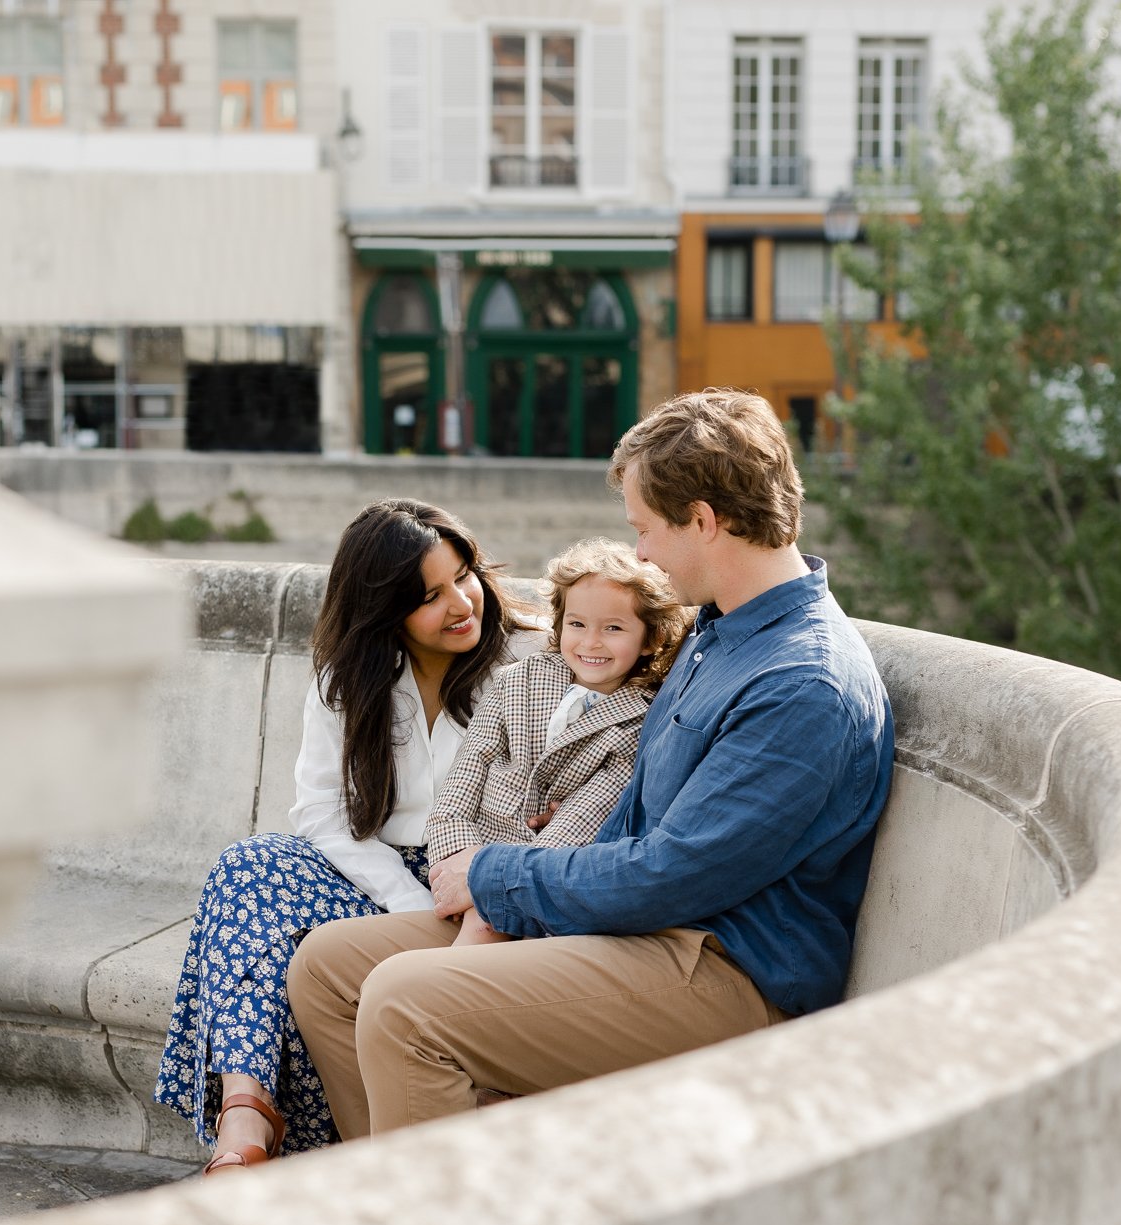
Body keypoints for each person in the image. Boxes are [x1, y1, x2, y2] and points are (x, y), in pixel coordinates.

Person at [286, 389, 896, 1140]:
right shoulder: (719, 631)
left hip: (724, 972)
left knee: (405, 1005)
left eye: (644, 529)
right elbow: (633, 809)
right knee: (326, 969)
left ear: (703, 520)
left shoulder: (802, 683)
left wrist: (498, 874)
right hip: (644, 930)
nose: (640, 553)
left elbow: (669, 876)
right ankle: (417, 1192)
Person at [152, 498, 529, 1173]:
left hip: (486, 886)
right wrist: (410, 904)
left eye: (463, 576)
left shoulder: (531, 662)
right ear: (383, 609)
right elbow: (322, 814)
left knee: (296, 949)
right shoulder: (347, 679)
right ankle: (245, 1117)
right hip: (383, 878)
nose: (461, 603)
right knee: (250, 868)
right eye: (429, 596)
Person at [428, 537, 689, 947]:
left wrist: (491, 891)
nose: (590, 642)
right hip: (466, 865)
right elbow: (461, 785)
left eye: (614, 628)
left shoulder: (640, 724)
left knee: (457, 963)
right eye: (577, 624)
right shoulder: (518, 681)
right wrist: (458, 861)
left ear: (651, 638)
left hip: (535, 893)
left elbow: (578, 826)